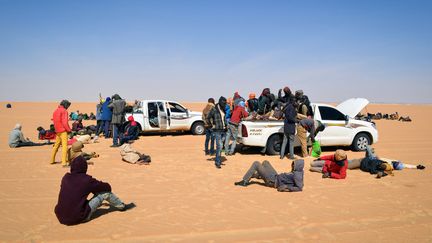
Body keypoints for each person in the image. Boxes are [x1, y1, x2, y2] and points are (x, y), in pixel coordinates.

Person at [54, 156, 133, 225]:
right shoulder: (86, 180)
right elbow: (107, 187)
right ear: (85, 168)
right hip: (78, 217)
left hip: (60, 216)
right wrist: (95, 189)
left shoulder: (66, 177)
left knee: (73, 196)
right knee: (105, 193)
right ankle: (122, 206)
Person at [348, 146, 425, 178]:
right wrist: (416, 167)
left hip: (372, 159)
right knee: (368, 147)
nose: (395, 162)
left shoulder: (388, 169)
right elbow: (407, 166)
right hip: (372, 159)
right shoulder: (394, 166)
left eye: (396, 163)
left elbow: (380, 173)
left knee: (353, 164)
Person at [234, 160, 304, 192]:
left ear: (298, 166)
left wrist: (287, 187)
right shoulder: (298, 172)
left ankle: (244, 181)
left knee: (256, 163)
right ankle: (258, 175)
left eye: (294, 164)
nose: (292, 165)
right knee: (265, 162)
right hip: (275, 176)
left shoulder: (297, 175)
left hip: (272, 181)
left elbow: (299, 187)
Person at [206, 96, 227, 169]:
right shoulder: (214, 109)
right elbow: (207, 117)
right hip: (217, 130)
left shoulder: (223, 108)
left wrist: (226, 125)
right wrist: (211, 125)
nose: (224, 104)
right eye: (223, 103)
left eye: (225, 103)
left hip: (224, 130)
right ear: (220, 102)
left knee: (221, 146)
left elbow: (223, 118)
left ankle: (218, 159)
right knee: (219, 146)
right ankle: (217, 162)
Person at [50, 100, 72, 166]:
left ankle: (52, 160)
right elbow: (65, 123)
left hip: (57, 131)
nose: (68, 107)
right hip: (63, 131)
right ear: (65, 105)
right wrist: (69, 130)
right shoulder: (64, 111)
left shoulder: (55, 111)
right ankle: (64, 162)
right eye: (68, 105)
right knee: (65, 146)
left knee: (56, 146)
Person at [280, 88, 297, 159]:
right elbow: (290, 117)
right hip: (290, 127)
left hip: (286, 127)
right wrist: (296, 120)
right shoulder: (292, 107)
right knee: (291, 143)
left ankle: (281, 156)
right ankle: (291, 156)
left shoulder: (286, 107)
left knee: (284, 142)